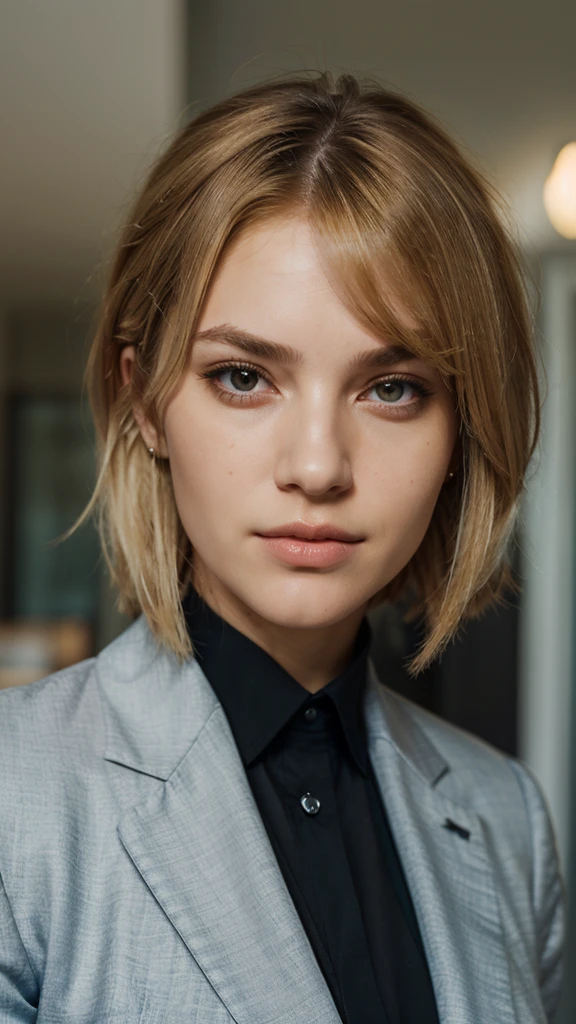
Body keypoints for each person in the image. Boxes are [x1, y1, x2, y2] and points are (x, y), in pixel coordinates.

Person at [0, 72, 565, 1023]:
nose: (317, 466)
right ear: (145, 401)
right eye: (242, 376)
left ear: (462, 427)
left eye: (393, 388)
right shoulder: (18, 800)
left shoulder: (507, 818)